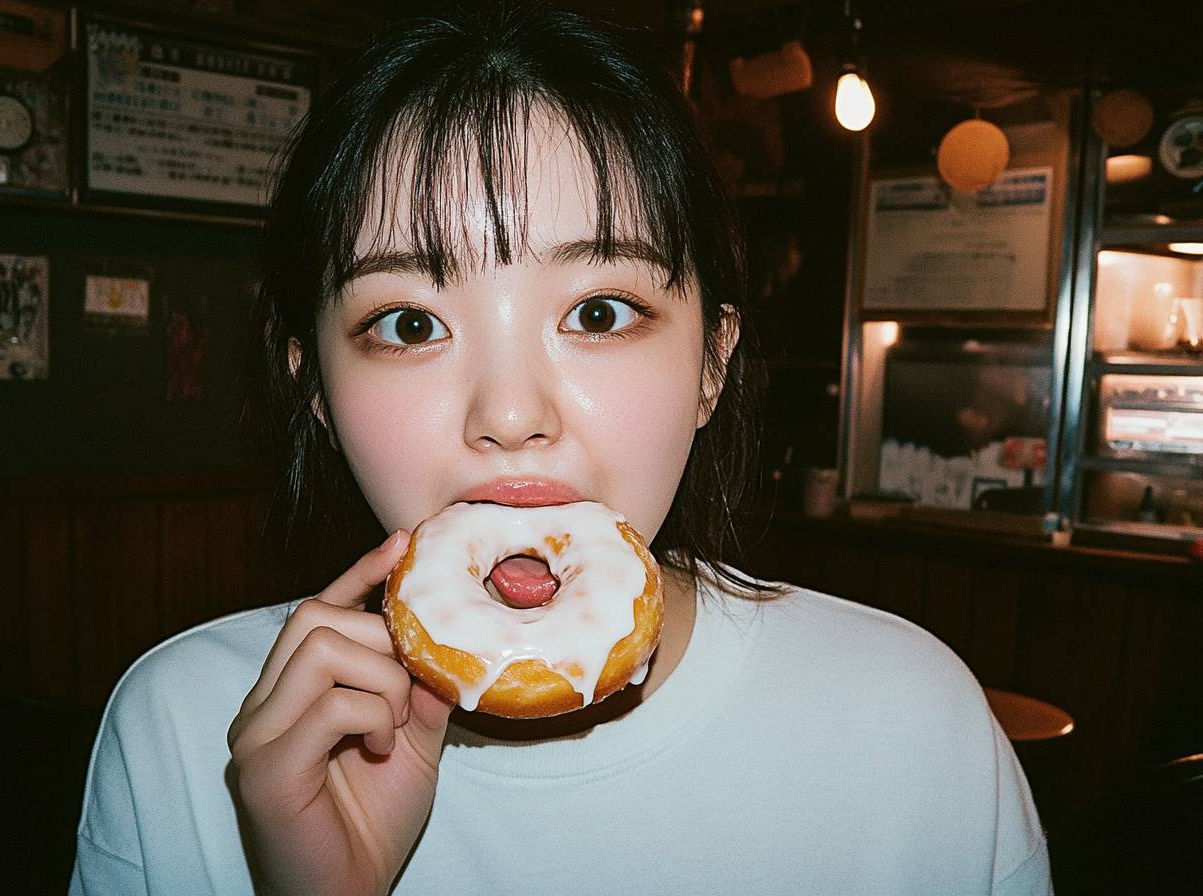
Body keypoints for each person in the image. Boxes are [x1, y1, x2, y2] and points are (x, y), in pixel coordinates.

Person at [69, 4, 1052, 894]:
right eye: (410, 324)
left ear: (714, 362)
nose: (509, 411)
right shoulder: (191, 728)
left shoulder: (911, 726)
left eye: (598, 309)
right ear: (315, 389)